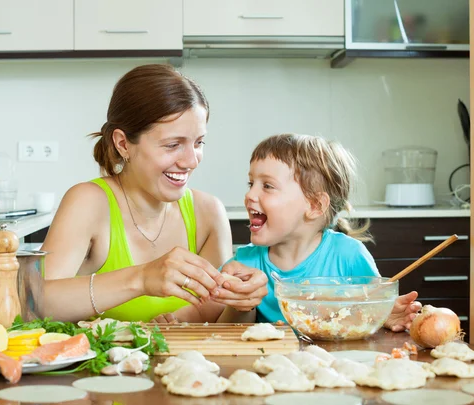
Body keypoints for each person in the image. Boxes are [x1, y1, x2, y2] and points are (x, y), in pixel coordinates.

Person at [38, 64, 268, 323]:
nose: (191, 161)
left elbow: (217, 322)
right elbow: (35, 303)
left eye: (198, 142)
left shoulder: (208, 213)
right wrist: (142, 278)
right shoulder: (89, 202)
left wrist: (241, 302)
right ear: (123, 143)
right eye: (173, 145)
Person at [209, 134, 421, 331]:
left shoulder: (349, 255)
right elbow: (223, 332)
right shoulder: (244, 264)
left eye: (267, 186)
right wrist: (241, 304)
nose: (249, 194)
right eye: (251, 183)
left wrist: (384, 316)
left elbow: (372, 315)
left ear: (315, 205)